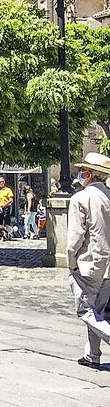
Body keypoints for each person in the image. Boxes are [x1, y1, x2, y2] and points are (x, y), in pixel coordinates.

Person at [66, 153, 110, 370]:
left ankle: (97, 350)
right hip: (108, 265)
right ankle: (92, 355)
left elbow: (75, 237)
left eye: (82, 171)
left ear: (88, 174)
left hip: (88, 263)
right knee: (97, 310)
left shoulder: (80, 198)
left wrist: (71, 261)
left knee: (85, 310)